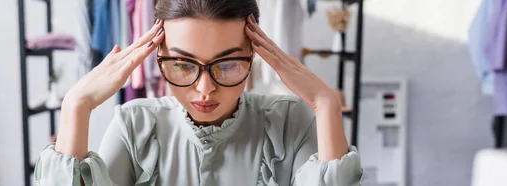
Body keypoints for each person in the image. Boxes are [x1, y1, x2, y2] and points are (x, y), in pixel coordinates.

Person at [34, 0, 363, 185]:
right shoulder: (136, 124)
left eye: (229, 64)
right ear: (158, 56)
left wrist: (326, 103)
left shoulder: (290, 121)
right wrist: (75, 107)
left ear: (255, 55)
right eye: (182, 64)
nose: (205, 89)